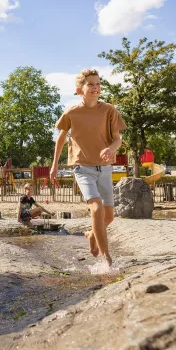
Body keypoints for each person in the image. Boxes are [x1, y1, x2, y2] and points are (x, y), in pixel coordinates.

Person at [49, 69, 126, 266]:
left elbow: (118, 139)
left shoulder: (109, 110)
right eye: (90, 84)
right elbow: (61, 138)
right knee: (96, 207)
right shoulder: (71, 113)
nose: (95, 87)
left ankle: (91, 235)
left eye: (98, 83)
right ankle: (106, 259)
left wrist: (110, 148)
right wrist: (54, 165)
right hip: (82, 168)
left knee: (109, 217)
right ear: (79, 90)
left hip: (105, 168)